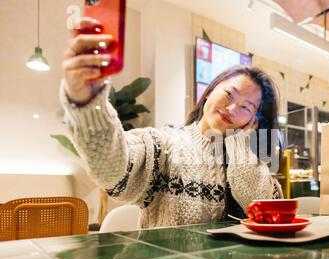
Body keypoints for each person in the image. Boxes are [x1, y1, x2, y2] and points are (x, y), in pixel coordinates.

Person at [60, 18, 283, 228]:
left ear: (253, 120)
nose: (232, 108)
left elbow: (269, 214)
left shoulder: (252, 163)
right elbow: (113, 171)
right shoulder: (163, 145)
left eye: (246, 107)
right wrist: (89, 103)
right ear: (209, 92)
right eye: (229, 94)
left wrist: (242, 148)